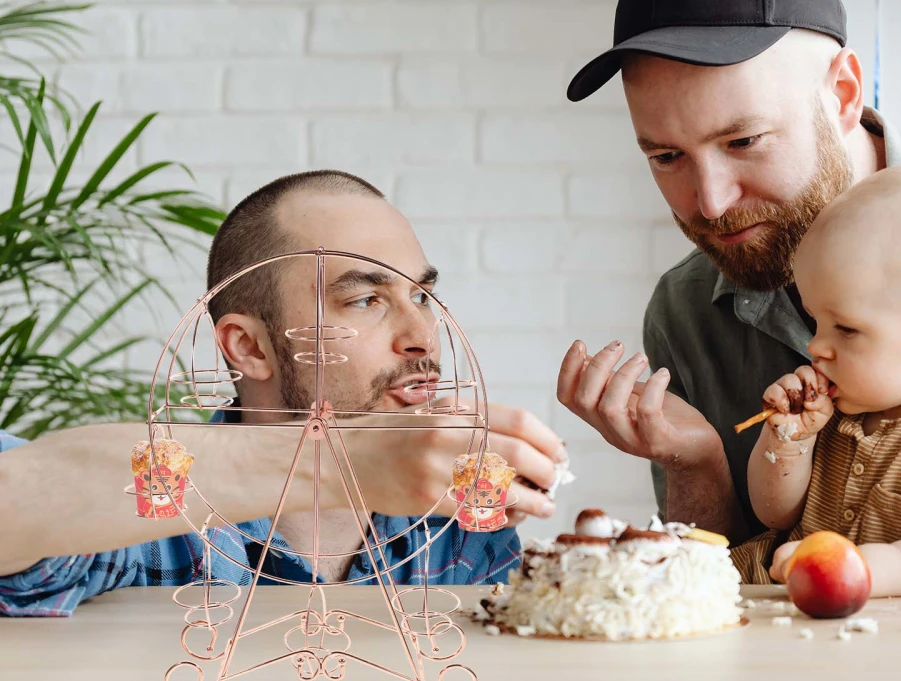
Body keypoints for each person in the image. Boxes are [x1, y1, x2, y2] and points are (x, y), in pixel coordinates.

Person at [555, 0, 901, 594]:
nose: (709, 202)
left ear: (844, 94)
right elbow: (723, 590)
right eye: (667, 156)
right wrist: (696, 464)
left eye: (745, 141)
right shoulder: (687, 309)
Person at [0, 170, 565, 616]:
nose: (422, 340)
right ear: (249, 347)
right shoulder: (145, 535)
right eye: (365, 301)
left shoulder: (459, 535)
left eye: (422, 296)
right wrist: (335, 462)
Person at [733, 164, 901, 594]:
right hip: (764, 592)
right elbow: (774, 515)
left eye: (846, 328)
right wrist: (788, 443)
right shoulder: (842, 404)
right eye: (816, 322)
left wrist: (853, 566)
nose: (816, 346)